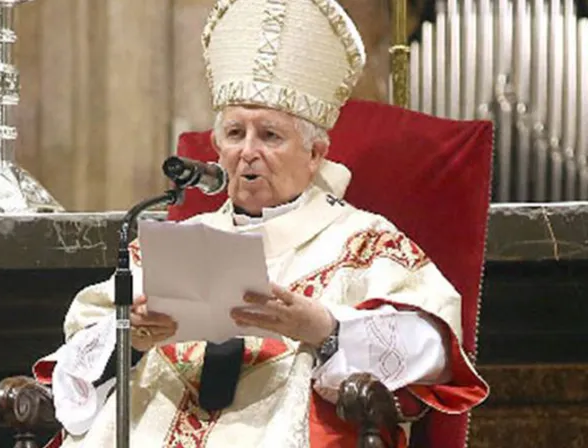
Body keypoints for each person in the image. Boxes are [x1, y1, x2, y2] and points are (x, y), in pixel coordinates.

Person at [33, 1, 488, 446]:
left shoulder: (363, 243)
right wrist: (131, 339)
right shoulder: (174, 246)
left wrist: (326, 330)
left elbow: (432, 351)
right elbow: (76, 362)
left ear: (315, 155)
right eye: (235, 134)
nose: (248, 151)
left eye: (269, 135)